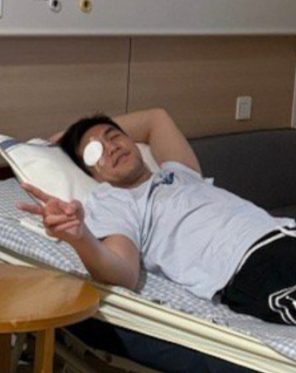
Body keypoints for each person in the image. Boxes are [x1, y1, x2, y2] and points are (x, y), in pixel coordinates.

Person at [18, 108, 296, 325]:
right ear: (92, 173)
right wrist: (81, 238)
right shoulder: (115, 200)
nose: (112, 147)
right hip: (250, 264)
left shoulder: (180, 173)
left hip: (285, 233)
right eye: (95, 152)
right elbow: (124, 273)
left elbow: (156, 118)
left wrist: (69, 134)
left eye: (114, 137)